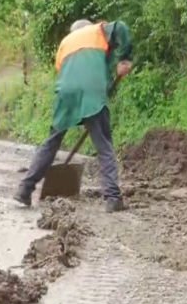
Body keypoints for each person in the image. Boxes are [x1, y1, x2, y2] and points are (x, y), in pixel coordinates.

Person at [14, 19, 132, 212]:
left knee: (51, 142)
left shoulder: (65, 44)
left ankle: (24, 190)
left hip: (65, 93)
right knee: (103, 145)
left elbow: (68, 73)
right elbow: (121, 27)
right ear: (88, 26)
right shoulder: (98, 30)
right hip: (91, 91)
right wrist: (124, 58)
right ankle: (112, 198)